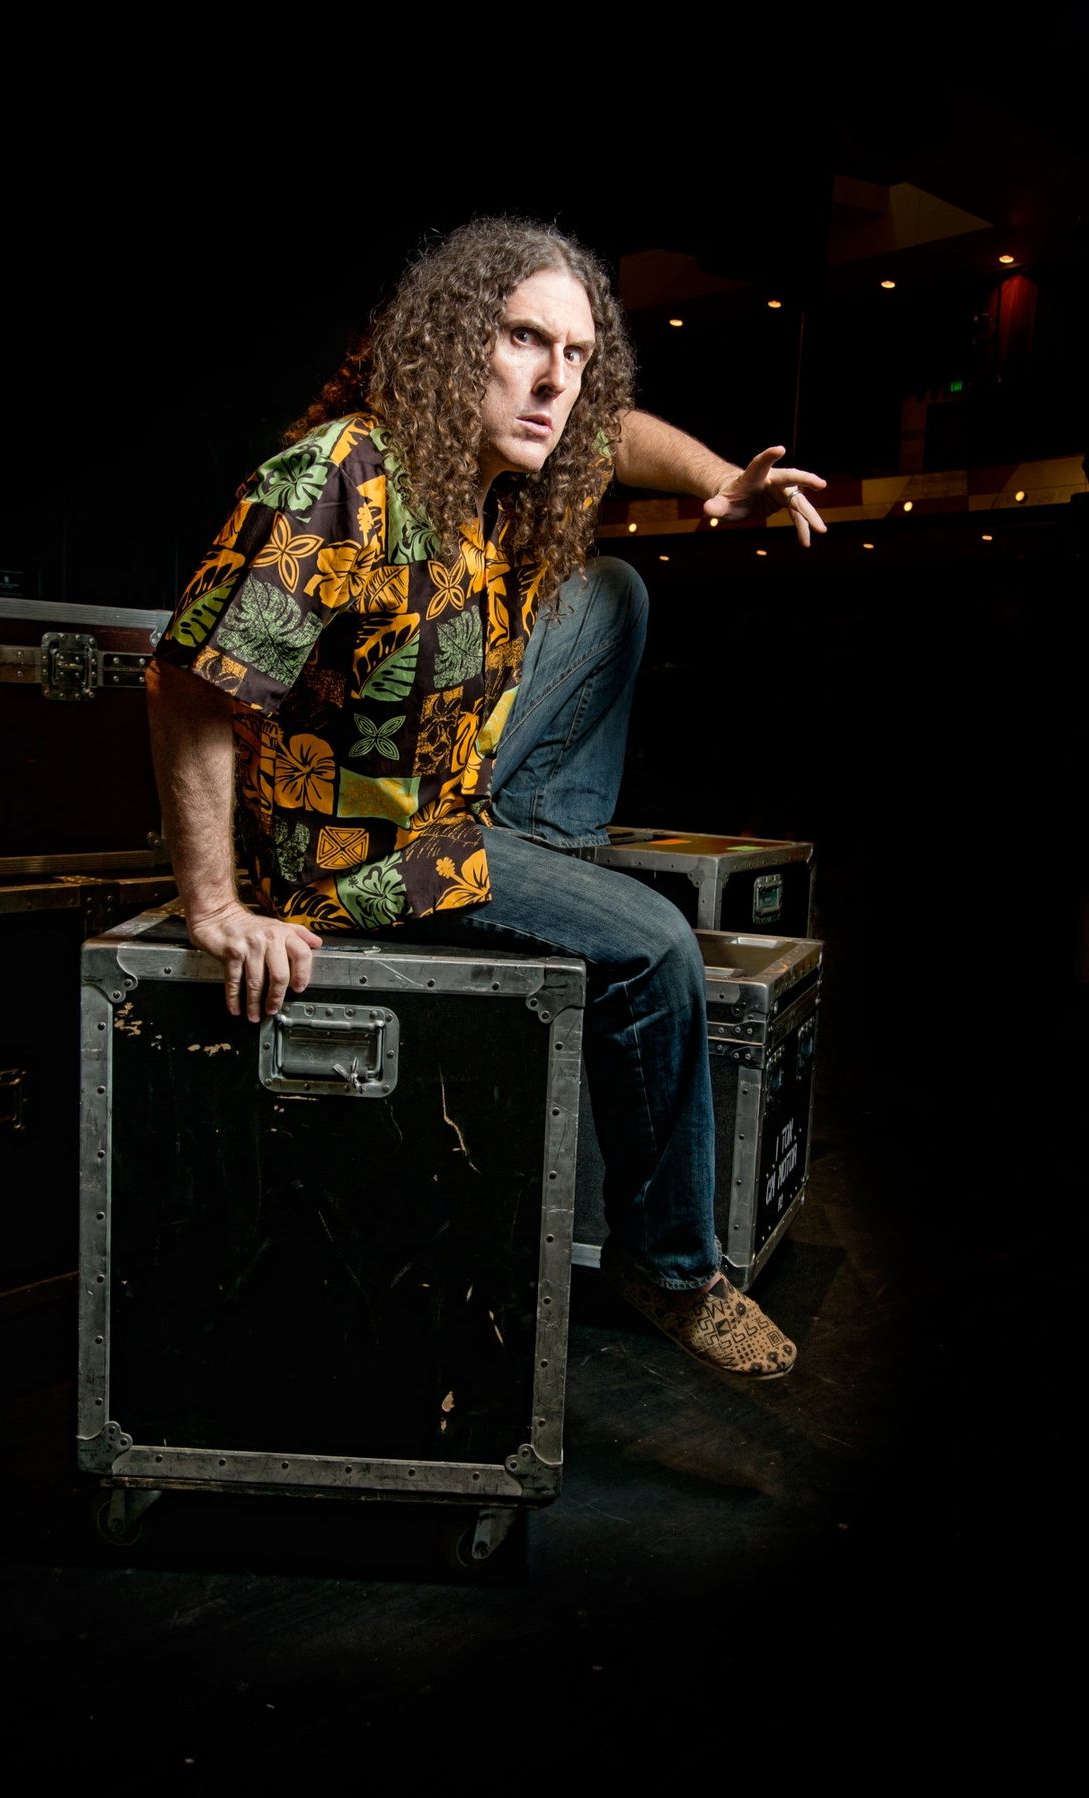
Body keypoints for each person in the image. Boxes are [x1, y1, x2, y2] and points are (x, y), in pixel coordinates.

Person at [146, 215, 827, 1381]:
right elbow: (189, 683)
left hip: (439, 760)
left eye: (575, 353)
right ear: (452, 342)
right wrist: (214, 907)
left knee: (610, 594)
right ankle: (670, 1266)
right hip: (364, 846)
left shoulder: (500, 463)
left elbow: (613, 433)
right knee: (655, 947)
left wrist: (723, 481)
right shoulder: (340, 480)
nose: (555, 380)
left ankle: (539, 846)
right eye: (523, 339)